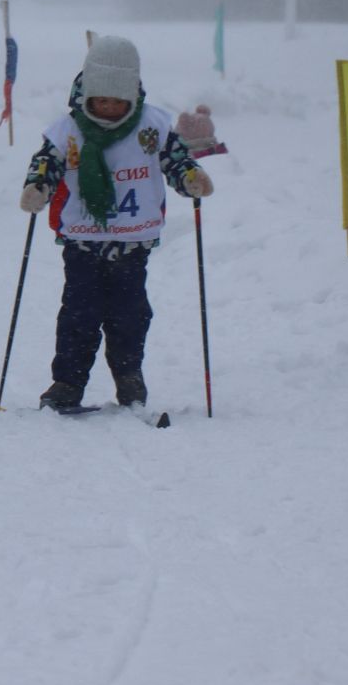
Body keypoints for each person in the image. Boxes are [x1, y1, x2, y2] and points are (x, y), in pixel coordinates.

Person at [19, 35, 217, 412]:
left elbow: (175, 160)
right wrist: (38, 185)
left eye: (117, 101)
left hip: (132, 242)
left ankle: (129, 377)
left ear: (133, 96)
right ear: (87, 94)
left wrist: (189, 177)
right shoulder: (67, 131)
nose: (109, 109)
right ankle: (67, 382)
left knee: (130, 314)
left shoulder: (152, 127)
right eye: (101, 101)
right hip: (83, 242)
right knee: (79, 315)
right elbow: (46, 162)